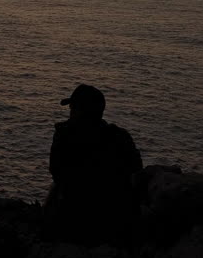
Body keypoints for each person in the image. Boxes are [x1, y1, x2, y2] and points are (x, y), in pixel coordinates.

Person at [44, 84, 143, 246]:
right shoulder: (121, 138)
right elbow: (135, 170)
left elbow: (57, 173)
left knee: (55, 189)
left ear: (78, 111)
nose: (70, 112)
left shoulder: (65, 136)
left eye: (72, 108)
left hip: (76, 225)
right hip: (116, 224)